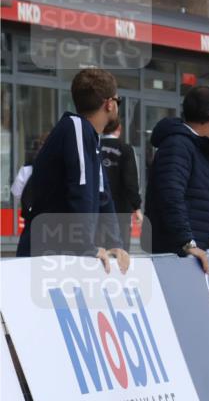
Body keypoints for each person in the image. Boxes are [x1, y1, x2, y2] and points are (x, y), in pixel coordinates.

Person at [15, 68, 129, 274]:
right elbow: (81, 189)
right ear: (110, 103)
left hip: (59, 254)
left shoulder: (89, 138)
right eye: (118, 101)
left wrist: (115, 243)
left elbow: (103, 196)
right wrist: (86, 246)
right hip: (45, 254)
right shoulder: (76, 127)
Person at [144, 86, 209, 272]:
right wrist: (187, 243)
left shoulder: (201, 147)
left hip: (197, 253)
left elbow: (206, 205)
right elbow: (170, 196)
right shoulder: (178, 145)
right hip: (179, 257)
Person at [100, 119, 142, 251]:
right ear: (119, 128)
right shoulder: (125, 149)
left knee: (99, 251)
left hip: (97, 207)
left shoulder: (94, 146)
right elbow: (130, 181)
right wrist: (136, 206)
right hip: (120, 208)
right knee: (120, 250)